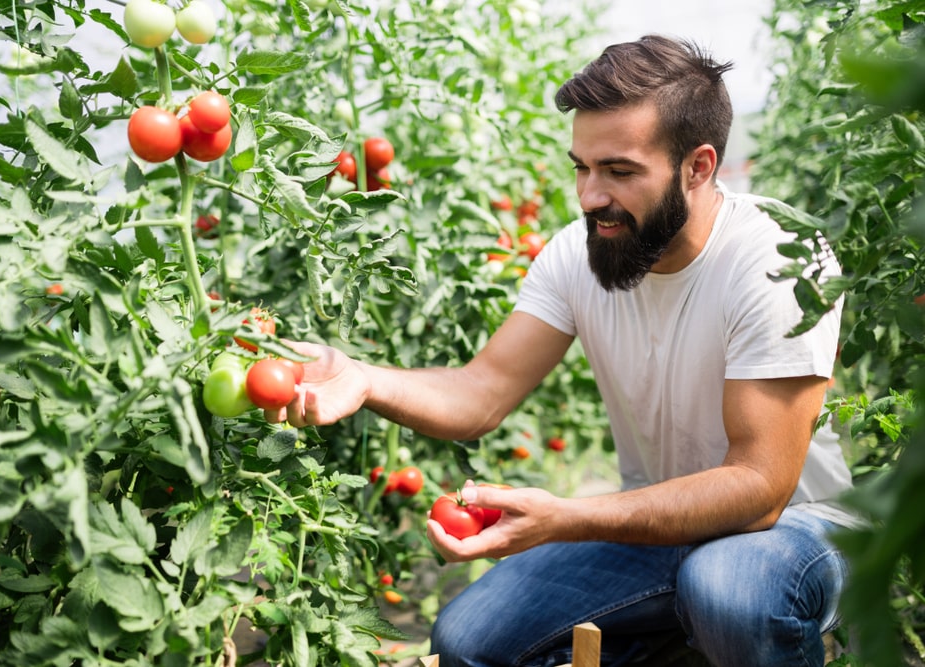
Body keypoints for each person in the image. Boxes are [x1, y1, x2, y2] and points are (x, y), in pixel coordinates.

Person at [270, 34, 857, 667]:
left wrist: (569, 516)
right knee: (468, 642)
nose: (590, 196)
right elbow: (482, 391)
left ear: (698, 167)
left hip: (796, 527)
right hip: (660, 525)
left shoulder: (779, 258)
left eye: (620, 172)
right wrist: (364, 379)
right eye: (582, 167)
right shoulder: (577, 255)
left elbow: (760, 487)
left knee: (729, 590)